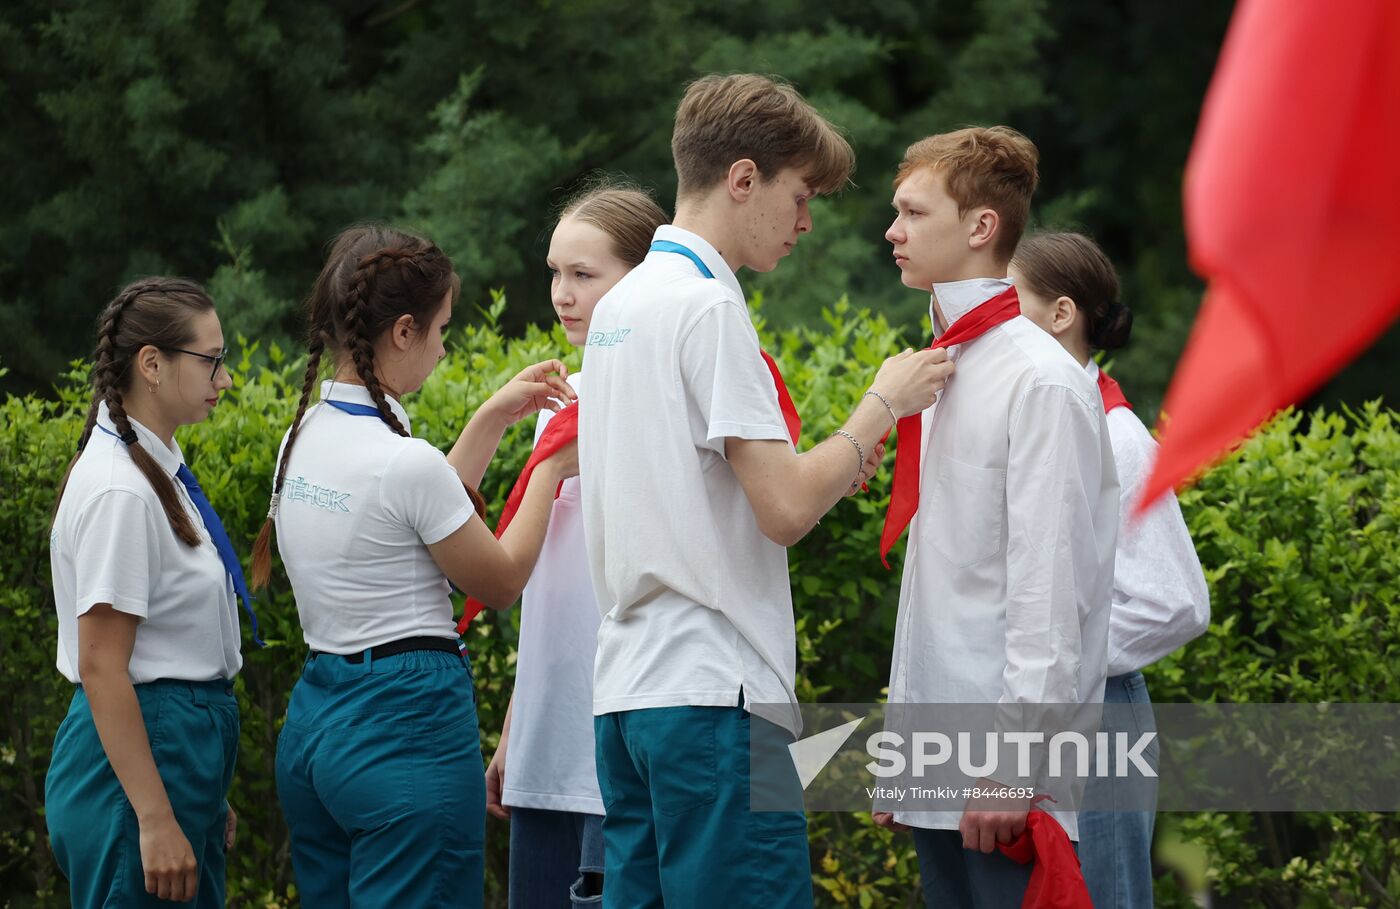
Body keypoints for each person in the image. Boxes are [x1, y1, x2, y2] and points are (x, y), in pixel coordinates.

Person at [578, 73, 954, 909]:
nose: (807, 219)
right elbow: (784, 507)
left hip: (629, 697)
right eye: (800, 193)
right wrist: (879, 406)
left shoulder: (619, 305)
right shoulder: (708, 307)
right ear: (743, 179)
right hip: (717, 694)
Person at [253, 224, 578, 909]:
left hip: (319, 723)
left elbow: (413, 517)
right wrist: (552, 461)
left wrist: (493, 415)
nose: (441, 348)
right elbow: (498, 578)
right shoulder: (404, 462)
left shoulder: (302, 436)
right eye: (440, 331)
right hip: (404, 729)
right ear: (402, 331)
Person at [875, 128, 1119, 908]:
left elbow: (1047, 589)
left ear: (981, 227)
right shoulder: (943, 369)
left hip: (1001, 774)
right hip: (941, 761)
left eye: (913, 212)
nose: (893, 230)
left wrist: (1015, 761)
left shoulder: (1040, 379)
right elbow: (945, 584)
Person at [1011, 231, 1210, 909]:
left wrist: (1056, 654)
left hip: (1096, 716)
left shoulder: (1119, 437)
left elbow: (1176, 601)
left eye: (1011, 298)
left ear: (1060, 314)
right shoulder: (1043, 419)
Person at [484, 183, 668, 908]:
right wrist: (515, 727)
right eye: (556, 273)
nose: (563, 294)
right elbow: (547, 590)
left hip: (623, 744)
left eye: (584, 275)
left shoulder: (664, 404)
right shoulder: (559, 406)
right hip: (547, 742)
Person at [46, 277, 251, 907]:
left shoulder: (150, 466)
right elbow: (103, 665)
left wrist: (201, 788)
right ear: (153, 364)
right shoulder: (123, 490)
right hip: (140, 755)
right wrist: (156, 817)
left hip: (169, 751)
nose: (225, 380)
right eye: (211, 361)